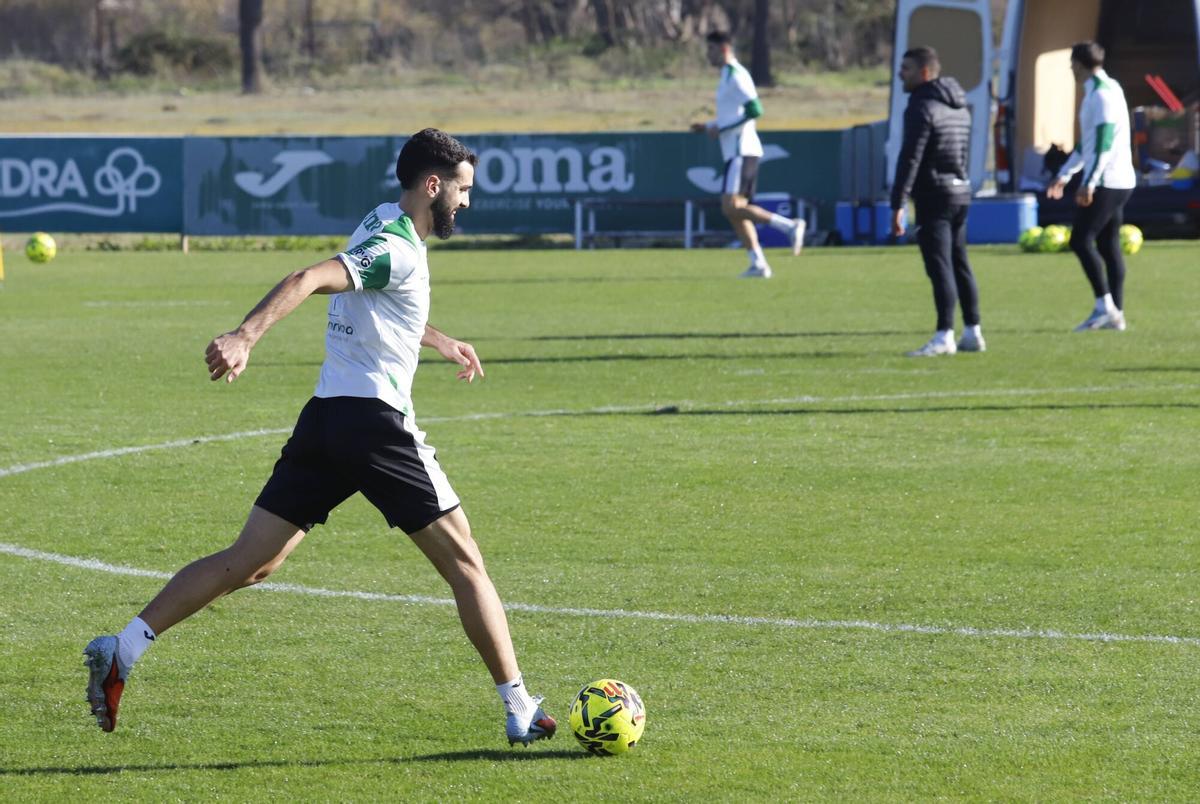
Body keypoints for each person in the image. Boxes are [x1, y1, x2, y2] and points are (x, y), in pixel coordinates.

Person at [82, 128, 557, 747]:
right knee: (467, 564)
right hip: (376, 427)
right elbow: (305, 277)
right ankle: (518, 707)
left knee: (250, 562)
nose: (467, 203)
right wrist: (245, 336)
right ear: (433, 184)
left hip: (327, 419)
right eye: (463, 190)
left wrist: (437, 338)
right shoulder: (400, 248)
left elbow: (378, 307)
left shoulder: (382, 222)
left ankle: (124, 648)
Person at [891, 45, 984, 357]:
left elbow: (910, 157)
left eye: (906, 68)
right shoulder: (959, 105)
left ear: (925, 73)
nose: (900, 74)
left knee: (939, 265)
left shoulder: (921, 106)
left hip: (934, 194)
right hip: (960, 191)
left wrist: (898, 201)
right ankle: (972, 330)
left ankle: (944, 334)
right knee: (959, 262)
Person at [691, 30, 805, 279]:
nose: (707, 55)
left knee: (731, 206)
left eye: (710, 49)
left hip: (742, 150)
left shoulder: (737, 75)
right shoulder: (725, 76)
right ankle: (758, 264)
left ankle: (789, 226)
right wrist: (710, 125)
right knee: (736, 209)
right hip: (735, 151)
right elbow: (733, 114)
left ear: (723, 49)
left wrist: (719, 127)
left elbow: (755, 109)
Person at [1046, 41, 1136, 332]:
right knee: (1108, 245)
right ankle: (1116, 313)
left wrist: (1089, 182)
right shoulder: (1104, 90)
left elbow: (1103, 144)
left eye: (1072, 63)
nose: (1071, 69)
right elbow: (1088, 143)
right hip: (1117, 178)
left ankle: (1104, 307)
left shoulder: (1101, 95)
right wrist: (1065, 174)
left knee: (1080, 240)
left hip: (1109, 180)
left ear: (1079, 64)